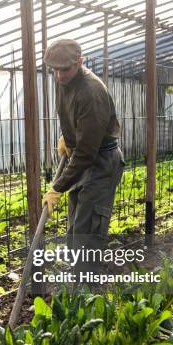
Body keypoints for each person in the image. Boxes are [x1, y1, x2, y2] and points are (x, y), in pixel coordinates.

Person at [41, 39, 124, 276]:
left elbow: (87, 153)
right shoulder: (64, 80)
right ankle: (80, 279)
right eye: (54, 70)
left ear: (80, 62)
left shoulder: (91, 91)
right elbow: (71, 116)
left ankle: (88, 289)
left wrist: (57, 187)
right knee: (76, 227)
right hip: (83, 157)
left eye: (64, 70)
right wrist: (68, 138)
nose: (58, 76)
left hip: (100, 162)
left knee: (87, 230)